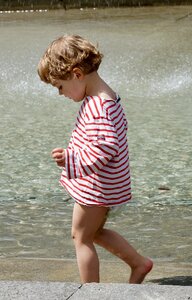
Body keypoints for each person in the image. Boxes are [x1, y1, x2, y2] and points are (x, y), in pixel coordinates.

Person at [38, 34, 153, 283]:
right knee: (95, 232)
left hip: (97, 188)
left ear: (77, 74)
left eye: (59, 86)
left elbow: (104, 149)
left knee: (81, 238)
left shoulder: (99, 108)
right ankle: (139, 263)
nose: (60, 93)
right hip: (104, 186)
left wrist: (71, 158)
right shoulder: (105, 98)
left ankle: (91, 292)